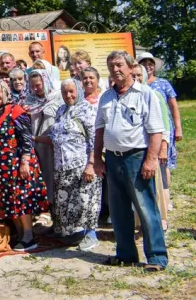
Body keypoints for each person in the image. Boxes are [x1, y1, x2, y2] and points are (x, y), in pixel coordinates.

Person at [93, 51, 167, 271]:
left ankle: (156, 258)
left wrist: (150, 160)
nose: (115, 70)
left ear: (130, 66)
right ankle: (126, 254)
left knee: (146, 209)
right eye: (111, 66)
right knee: (118, 211)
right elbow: (99, 130)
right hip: (113, 160)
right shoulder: (106, 96)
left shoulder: (145, 94)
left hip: (137, 158)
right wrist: (97, 158)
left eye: (118, 65)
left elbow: (155, 131)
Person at [0, 80, 49, 251]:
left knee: (22, 198)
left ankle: (29, 235)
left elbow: (26, 138)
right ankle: (21, 235)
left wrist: (25, 161)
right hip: (2, 166)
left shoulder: (16, 110)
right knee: (9, 201)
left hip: (17, 163)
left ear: (6, 92)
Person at [48, 80, 100, 250]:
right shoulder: (61, 110)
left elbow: (94, 138)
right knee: (68, 202)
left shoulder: (86, 108)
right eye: (65, 93)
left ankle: (90, 234)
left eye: (71, 92)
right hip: (62, 165)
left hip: (82, 164)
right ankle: (74, 234)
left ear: (78, 90)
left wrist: (91, 164)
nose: (68, 96)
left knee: (86, 199)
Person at [138, 51, 182, 209]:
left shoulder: (163, 84)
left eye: (150, 63)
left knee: (164, 163)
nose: (147, 66)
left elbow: (173, 106)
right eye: (144, 63)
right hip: (145, 131)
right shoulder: (138, 84)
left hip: (163, 127)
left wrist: (178, 128)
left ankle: (165, 197)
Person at [24, 70, 63, 212]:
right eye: (32, 86)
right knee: (41, 180)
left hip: (51, 145)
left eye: (38, 85)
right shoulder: (29, 100)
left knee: (53, 179)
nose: (35, 89)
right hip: (35, 146)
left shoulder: (58, 97)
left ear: (46, 82)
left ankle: (56, 216)